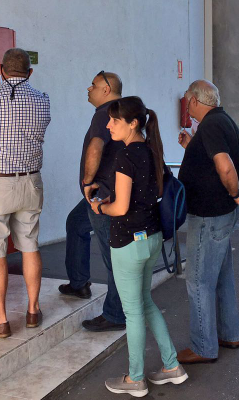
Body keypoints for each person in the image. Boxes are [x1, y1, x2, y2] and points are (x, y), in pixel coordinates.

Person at [89, 97, 187, 397]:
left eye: (114, 121)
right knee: (145, 303)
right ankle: (171, 366)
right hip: (152, 236)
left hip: (128, 241)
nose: (108, 126)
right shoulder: (151, 150)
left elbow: (119, 208)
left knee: (133, 312)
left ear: (132, 123)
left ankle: (135, 379)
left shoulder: (125, 155)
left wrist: (98, 207)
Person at [0, 48, 51, 338]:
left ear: (1, 69)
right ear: (30, 72)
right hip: (30, 181)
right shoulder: (42, 100)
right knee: (29, 243)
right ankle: (32, 310)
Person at [175, 80, 239, 364]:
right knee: (221, 278)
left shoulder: (210, 125)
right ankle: (229, 334)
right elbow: (213, 162)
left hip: (209, 215)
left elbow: (224, 165)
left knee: (197, 281)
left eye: (187, 100)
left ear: (195, 100)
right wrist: (191, 147)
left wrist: (234, 193)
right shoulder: (222, 121)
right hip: (218, 213)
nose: (186, 105)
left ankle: (203, 346)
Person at [59, 71, 127, 331]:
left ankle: (116, 314)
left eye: (94, 85)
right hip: (110, 191)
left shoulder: (105, 113)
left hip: (103, 195)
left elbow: (96, 146)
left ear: (107, 89)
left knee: (113, 257)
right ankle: (78, 283)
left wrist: (87, 183)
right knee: (76, 224)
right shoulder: (123, 109)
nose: (88, 88)